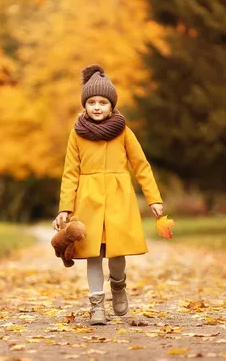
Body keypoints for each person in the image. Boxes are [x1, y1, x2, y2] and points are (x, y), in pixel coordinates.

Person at [52, 64, 165, 325]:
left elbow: (141, 165)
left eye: (103, 102)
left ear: (112, 105)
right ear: (85, 105)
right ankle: (97, 306)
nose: (97, 107)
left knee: (116, 255)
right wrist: (65, 208)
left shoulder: (123, 131)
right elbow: (70, 173)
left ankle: (118, 285)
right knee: (93, 254)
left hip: (118, 200)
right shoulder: (76, 134)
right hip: (89, 201)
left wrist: (154, 198)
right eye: (92, 102)